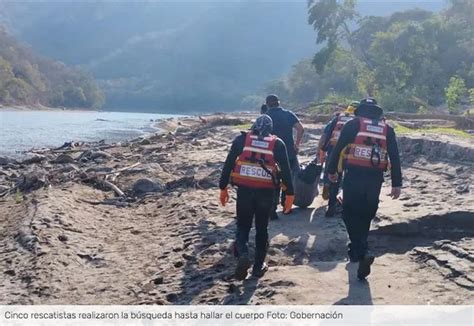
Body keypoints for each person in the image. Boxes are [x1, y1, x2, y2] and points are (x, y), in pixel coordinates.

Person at [326, 98, 402, 280]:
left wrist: (331, 172)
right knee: (366, 214)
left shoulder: (353, 125)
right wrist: (396, 183)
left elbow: (338, 149)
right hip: (375, 179)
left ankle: (362, 250)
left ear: (360, 111)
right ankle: (357, 250)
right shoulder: (387, 130)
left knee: (349, 213)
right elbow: (395, 157)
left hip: (354, 176)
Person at [219, 115, 295, 280]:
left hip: (245, 191)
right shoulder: (277, 144)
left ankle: (244, 254)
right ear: (271, 128)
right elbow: (287, 171)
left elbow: (229, 163)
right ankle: (258, 266)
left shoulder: (242, 140)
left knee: (243, 226)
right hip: (266, 193)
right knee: (262, 228)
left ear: (253, 126)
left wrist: (223, 187)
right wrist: (289, 194)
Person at [264, 94, 304, 220]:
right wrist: (296, 144)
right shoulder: (288, 114)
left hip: (271, 153)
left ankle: (272, 209)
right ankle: (286, 206)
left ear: (267, 104)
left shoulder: (265, 117)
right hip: (288, 152)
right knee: (288, 178)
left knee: (273, 180)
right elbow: (300, 129)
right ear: (278, 102)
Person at [318, 102, 358, 217]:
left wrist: (322, 150)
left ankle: (331, 206)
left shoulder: (337, 119)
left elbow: (326, 135)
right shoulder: (359, 121)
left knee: (334, 177)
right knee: (349, 179)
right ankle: (346, 204)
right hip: (351, 153)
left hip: (334, 150)